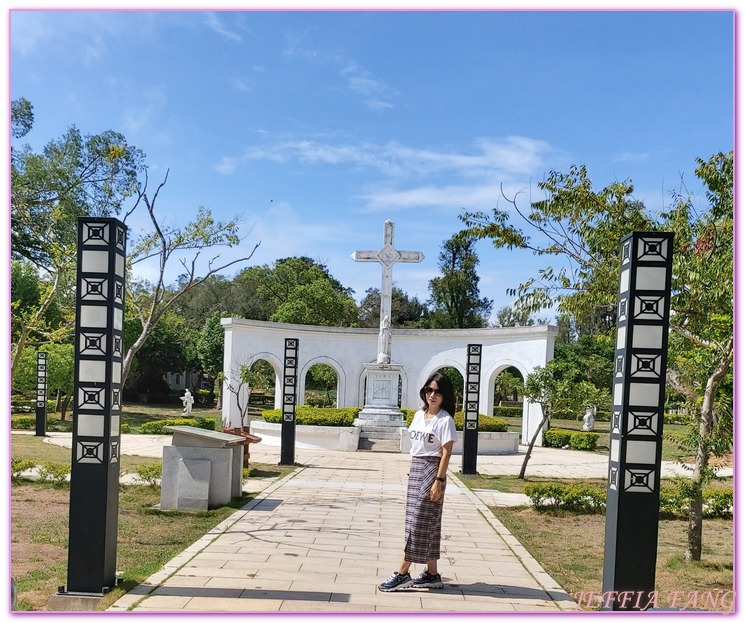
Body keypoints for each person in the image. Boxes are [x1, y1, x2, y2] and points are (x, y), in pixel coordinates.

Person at [379, 372, 458, 592]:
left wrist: (438, 481)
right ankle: (432, 574)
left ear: (445, 396)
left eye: (437, 392)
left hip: (433, 470)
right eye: (428, 390)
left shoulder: (445, 420)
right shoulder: (418, 415)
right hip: (416, 469)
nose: (432, 395)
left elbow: (446, 453)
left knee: (418, 524)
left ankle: (402, 573)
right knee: (424, 523)